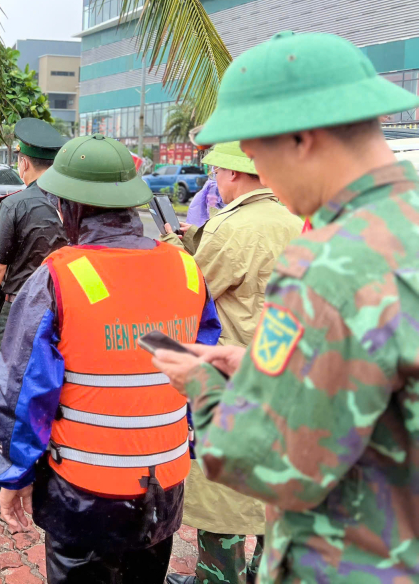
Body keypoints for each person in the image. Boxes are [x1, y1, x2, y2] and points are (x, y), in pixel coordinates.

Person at [150, 31, 419, 584]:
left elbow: (272, 464)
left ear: (301, 137)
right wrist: (256, 368)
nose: (257, 175)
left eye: (255, 153)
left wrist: (202, 385)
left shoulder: (329, 264)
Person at [0, 134, 222, 584]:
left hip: (84, 491)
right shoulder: (186, 269)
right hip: (164, 483)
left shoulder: (58, 278)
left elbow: (22, 392)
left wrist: (14, 475)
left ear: (71, 208)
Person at [160, 142, 302, 584]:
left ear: (236, 175)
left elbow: (194, 290)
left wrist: (171, 247)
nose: (216, 182)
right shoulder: (298, 221)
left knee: (223, 496)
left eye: (218, 173)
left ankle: (216, 577)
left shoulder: (231, 227)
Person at [0, 118, 68, 505]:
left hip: (21, 311)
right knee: (58, 389)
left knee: (9, 392)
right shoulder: (73, 204)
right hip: (68, 311)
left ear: (23, 163)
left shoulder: (17, 204)